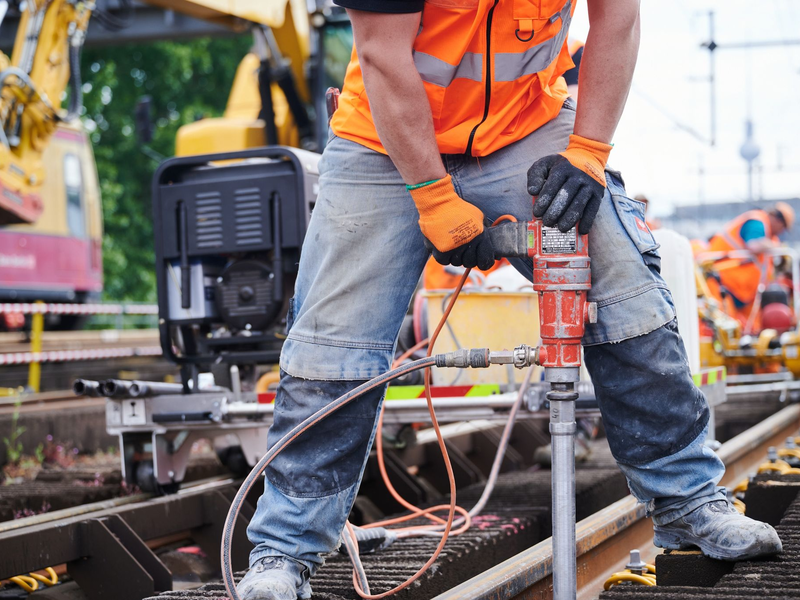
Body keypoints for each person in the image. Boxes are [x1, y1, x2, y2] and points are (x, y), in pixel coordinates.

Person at [237, 2, 783, 598]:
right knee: (329, 347)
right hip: (384, 139)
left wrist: (588, 154)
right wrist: (434, 196)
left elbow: (617, 20)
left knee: (624, 292)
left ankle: (690, 505)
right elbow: (382, 54)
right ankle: (285, 551)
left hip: (525, 125)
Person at [706, 203, 795, 326]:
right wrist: (776, 247)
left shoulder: (770, 237)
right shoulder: (757, 221)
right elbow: (753, 245)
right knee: (724, 328)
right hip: (722, 283)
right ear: (779, 221)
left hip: (742, 293)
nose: (781, 232)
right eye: (783, 228)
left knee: (743, 330)